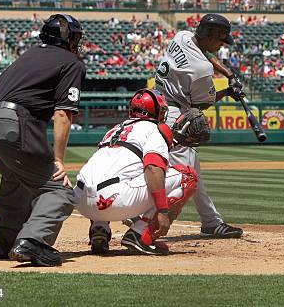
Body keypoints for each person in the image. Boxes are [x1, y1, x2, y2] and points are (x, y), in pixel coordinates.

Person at [0, 14, 86, 266]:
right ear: (69, 40)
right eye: (75, 38)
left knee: (15, 179)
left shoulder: (30, 54)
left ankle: (7, 242)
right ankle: (33, 242)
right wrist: (58, 159)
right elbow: (63, 113)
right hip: (8, 122)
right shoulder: (71, 62)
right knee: (59, 190)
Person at [153, 13, 244, 238]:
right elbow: (202, 104)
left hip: (155, 104)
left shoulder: (182, 36)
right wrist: (229, 91)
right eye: (221, 40)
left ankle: (211, 222)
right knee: (183, 176)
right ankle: (143, 222)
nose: (223, 45)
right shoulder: (201, 70)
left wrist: (228, 73)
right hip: (176, 115)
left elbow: (205, 53)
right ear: (211, 35)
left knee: (194, 169)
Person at [79, 89, 199, 255]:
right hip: (114, 202)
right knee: (188, 177)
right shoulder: (154, 129)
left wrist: (172, 142)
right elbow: (152, 168)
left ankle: (100, 229)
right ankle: (141, 234)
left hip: (82, 203)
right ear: (155, 111)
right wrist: (163, 210)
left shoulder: (114, 130)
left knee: (107, 174)